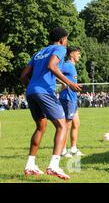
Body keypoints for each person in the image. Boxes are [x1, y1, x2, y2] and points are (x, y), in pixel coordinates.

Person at [20, 27, 82, 180]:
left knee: (41, 127)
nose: (66, 42)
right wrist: (69, 83)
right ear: (62, 39)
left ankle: (30, 165)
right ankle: (54, 166)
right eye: (66, 39)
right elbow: (52, 66)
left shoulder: (39, 53)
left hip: (31, 92)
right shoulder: (59, 49)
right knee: (62, 126)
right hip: (44, 92)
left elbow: (23, 75)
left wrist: (33, 87)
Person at [59, 47, 84, 158]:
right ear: (71, 54)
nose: (79, 56)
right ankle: (63, 151)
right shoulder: (67, 65)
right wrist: (63, 83)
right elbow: (53, 71)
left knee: (76, 123)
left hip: (73, 98)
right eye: (77, 54)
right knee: (67, 125)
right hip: (67, 98)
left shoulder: (72, 67)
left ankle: (73, 149)